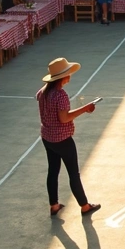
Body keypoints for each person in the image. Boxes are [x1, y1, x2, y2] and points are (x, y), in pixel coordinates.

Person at [37, 58, 102, 217]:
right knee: (73, 173)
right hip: (63, 139)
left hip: (47, 137)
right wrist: (85, 108)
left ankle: (54, 205)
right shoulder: (60, 95)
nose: (70, 76)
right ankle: (85, 206)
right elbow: (64, 118)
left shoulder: (42, 92)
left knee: (53, 171)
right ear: (63, 77)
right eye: (68, 73)